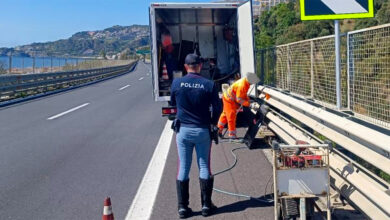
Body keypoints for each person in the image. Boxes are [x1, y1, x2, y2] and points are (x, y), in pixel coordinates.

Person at [170, 53, 222, 218]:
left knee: (184, 168)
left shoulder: (177, 83)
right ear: (200, 66)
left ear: (186, 67)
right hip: (202, 131)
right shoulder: (209, 84)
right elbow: (218, 107)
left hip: (183, 131)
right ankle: (206, 206)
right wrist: (213, 123)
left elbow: (172, 103)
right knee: (205, 167)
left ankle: (183, 208)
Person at [217, 72, 260, 138]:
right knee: (231, 116)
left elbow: (243, 94)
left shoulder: (245, 82)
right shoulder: (242, 85)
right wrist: (249, 104)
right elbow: (239, 99)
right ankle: (232, 136)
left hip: (228, 98)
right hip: (229, 100)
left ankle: (218, 131)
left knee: (225, 114)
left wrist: (248, 100)